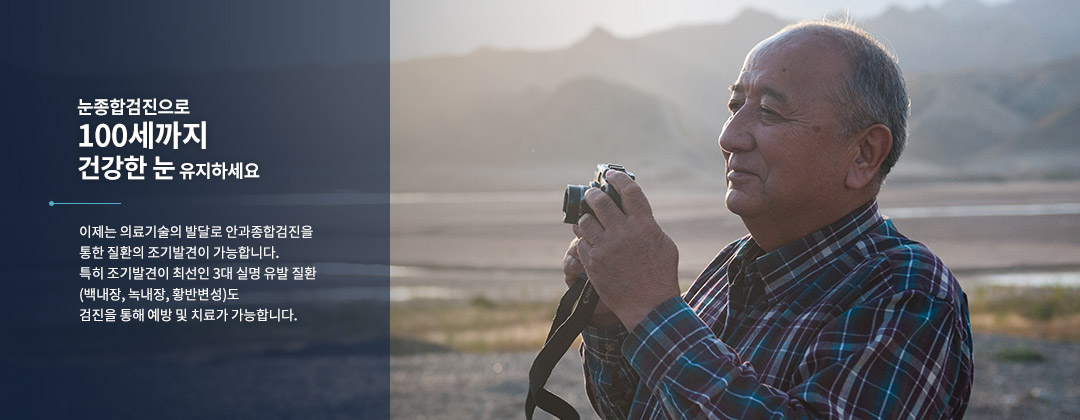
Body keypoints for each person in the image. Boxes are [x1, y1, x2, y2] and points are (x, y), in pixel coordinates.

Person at [563, 20, 973, 419]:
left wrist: (653, 309)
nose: (729, 137)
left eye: (770, 112)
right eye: (735, 105)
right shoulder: (732, 265)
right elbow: (643, 408)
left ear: (864, 153)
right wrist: (611, 317)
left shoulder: (908, 293)